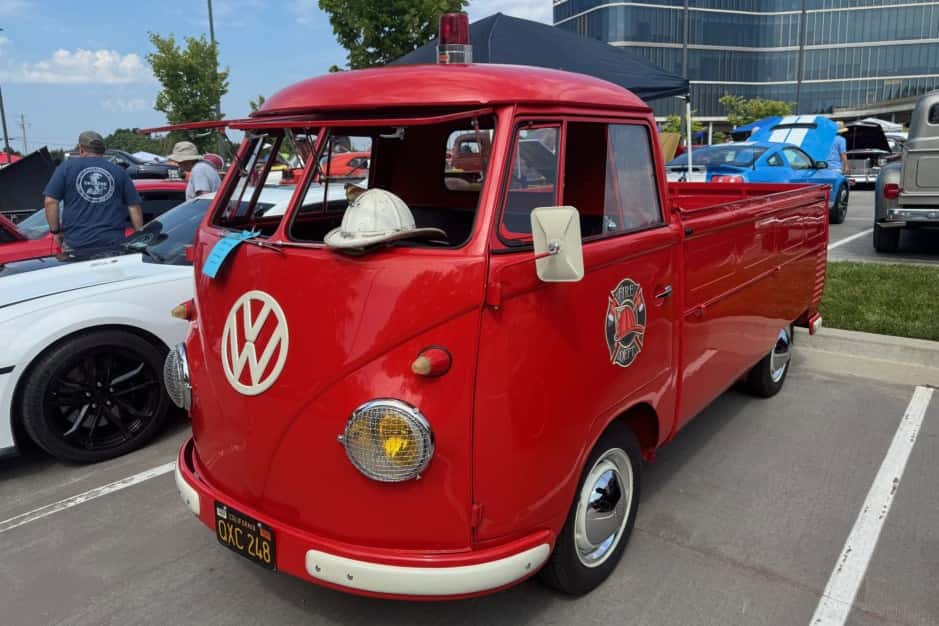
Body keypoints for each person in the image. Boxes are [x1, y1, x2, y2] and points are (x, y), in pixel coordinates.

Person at [43, 130, 143, 253]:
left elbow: (50, 202)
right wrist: (140, 236)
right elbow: (134, 206)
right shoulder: (119, 171)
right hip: (113, 244)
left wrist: (55, 231)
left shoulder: (66, 168)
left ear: (81, 149)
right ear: (103, 151)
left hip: (76, 243)